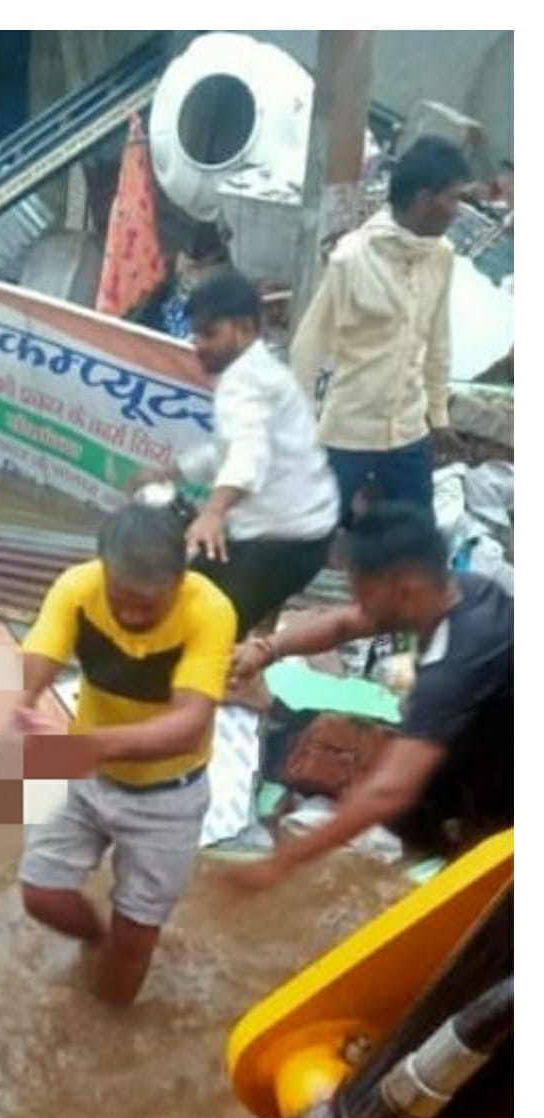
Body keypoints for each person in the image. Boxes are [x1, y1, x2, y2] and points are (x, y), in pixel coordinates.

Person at [15, 503, 236, 1006]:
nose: (132, 615)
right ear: (104, 571)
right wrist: (17, 708)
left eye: (148, 605)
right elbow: (34, 666)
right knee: (41, 894)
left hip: (168, 795)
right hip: (81, 777)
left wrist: (90, 745)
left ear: (180, 581)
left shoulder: (210, 609)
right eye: (121, 600)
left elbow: (189, 725)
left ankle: (109, 1017)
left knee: (136, 939)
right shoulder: (77, 587)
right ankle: (96, 939)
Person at [227, 503, 511, 891]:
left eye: (363, 593)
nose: (359, 605)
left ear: (404, 587)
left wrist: (282, 863)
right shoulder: (465, 590)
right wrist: (265, 650)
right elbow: (346, 624)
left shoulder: (453, 667)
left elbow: (391, 791)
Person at [135, 272, 339, 638]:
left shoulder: (243, 383)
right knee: (200, 604)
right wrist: (171, 471)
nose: (198, 346)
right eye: (195, 334)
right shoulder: (260, 371)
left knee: (195, 626)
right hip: (306, 533)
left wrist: (213, 512)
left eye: (209, 334)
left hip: (281, 540)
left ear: (243, 329)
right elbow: (227, 451)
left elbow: (247, 454)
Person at [291, 136, 470, 527]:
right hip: (347, 433)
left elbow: (438, 341)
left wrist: (438, 416)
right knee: (315, 533)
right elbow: (309, 345)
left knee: (416, 536)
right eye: (454, 198)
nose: (458, 211)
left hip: (408, 431)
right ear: (424, 199)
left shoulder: (441, 256)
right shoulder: (352, 257)